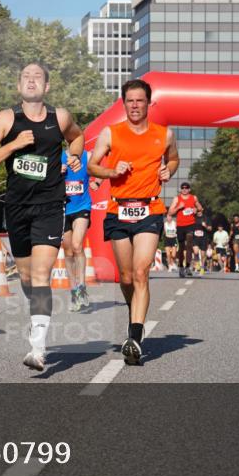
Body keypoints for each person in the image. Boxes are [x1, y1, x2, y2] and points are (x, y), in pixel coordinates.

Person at [0, 63, 84, 372]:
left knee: (40, 274)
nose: (31, 80)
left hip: (50, 205)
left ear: (47, 86)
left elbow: (78, 137)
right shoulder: (6, 119)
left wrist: (73, 155)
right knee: (25, 278)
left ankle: (38, 347)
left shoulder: (59, 117)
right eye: (26, 76)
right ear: (18, 85)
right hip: (17, 207)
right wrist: (13, 145)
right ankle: (37, 317)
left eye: (37, 77)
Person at [89, 78, 178, 366]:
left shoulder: (164, 135)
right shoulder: (110, 133)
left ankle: (135, 336)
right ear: (123, 103)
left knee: (141, 273)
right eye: (130, 101)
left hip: (150, 209)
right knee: (126, 277)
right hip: (118, 210)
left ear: (148, 103)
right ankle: (134, 311)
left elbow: (173, 159)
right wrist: (112, 171)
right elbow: (92, 165)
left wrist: (169, 171)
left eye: (140, 100)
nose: (135, 105)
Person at [62, 148, 97, 312]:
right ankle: (74, 291)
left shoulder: (87, 156)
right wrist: (57, 172)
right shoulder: (58, 155)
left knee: (77, 245)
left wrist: (96, 181)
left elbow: (102, 169)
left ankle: (82, 286)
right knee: (68, 251)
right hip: (62, 208)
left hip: (82, 206)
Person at [168, 182, 203, 278]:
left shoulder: (193, 198)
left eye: (186, 187)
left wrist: (197, 209)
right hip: (180, 225)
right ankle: (181, 267)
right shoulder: (177, 199)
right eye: (182, 188)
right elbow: (170, 212)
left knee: (189, 244)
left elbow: (200, 208)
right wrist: (178, 207)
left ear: (189, 189)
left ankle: (187, 267)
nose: (184, 189)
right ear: (180, 189)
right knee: (181, 247)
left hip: (191, 224)